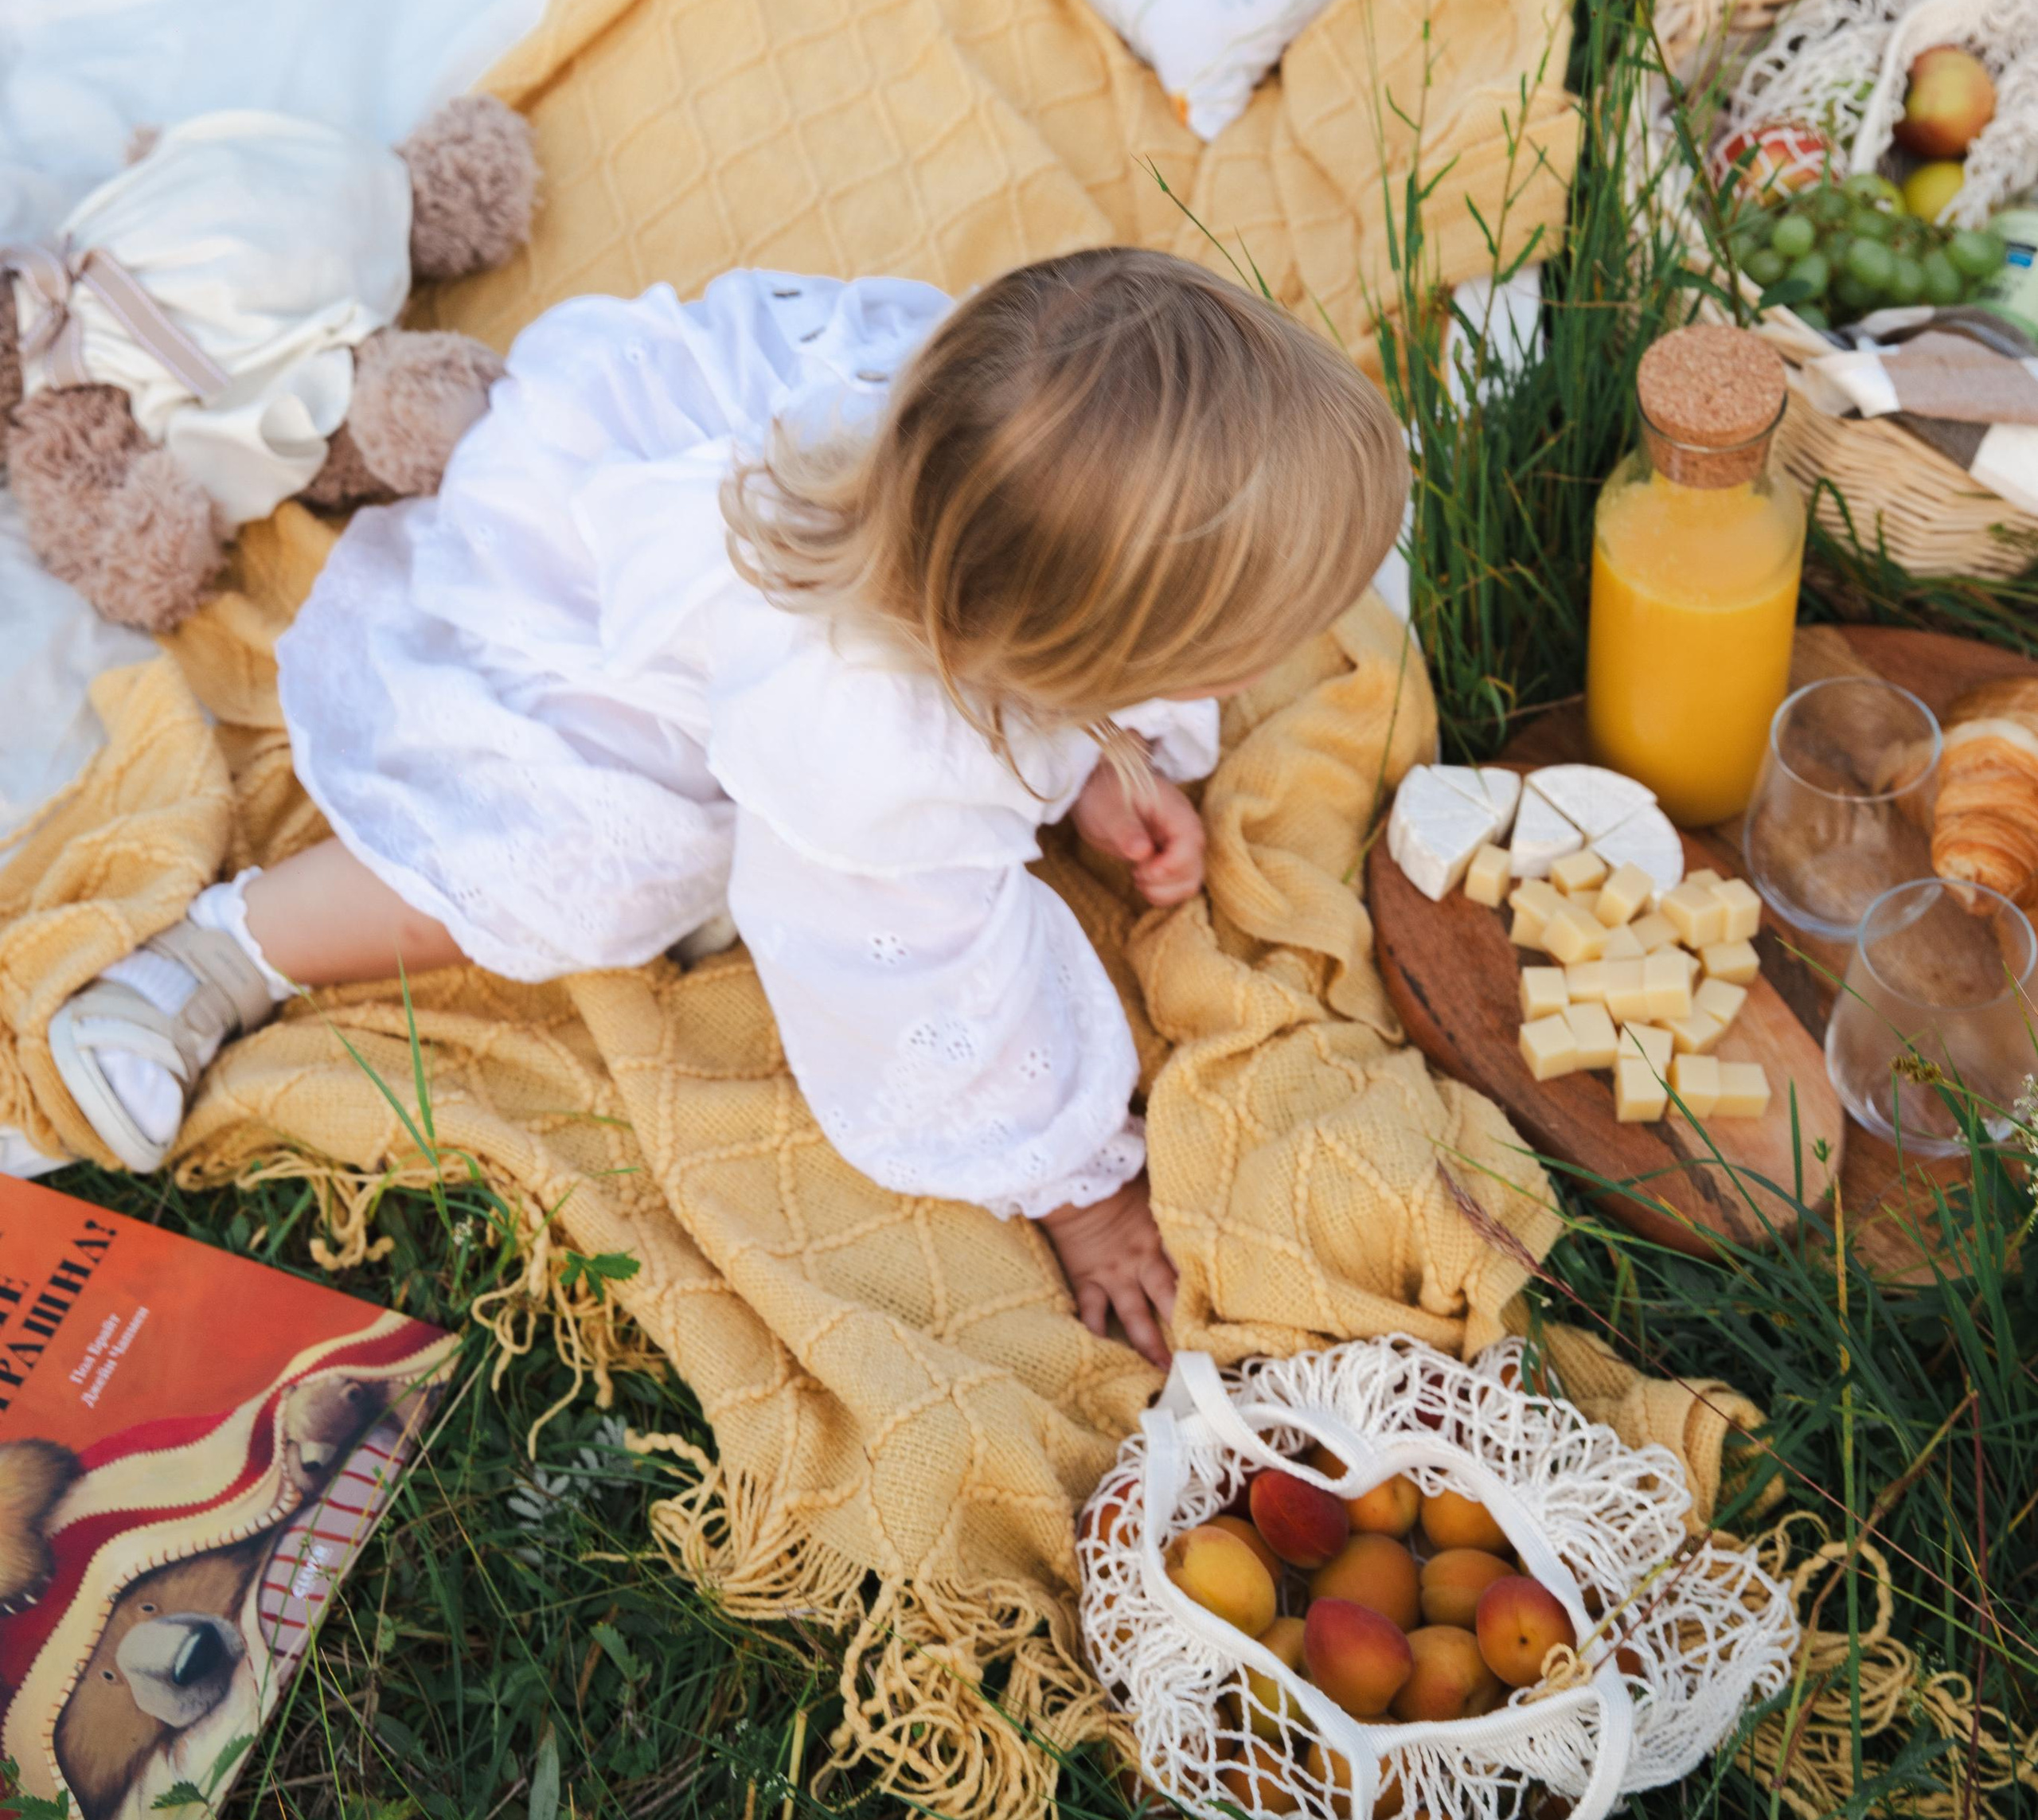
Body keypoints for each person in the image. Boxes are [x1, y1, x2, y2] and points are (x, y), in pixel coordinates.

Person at [47, 248, 1407, 1365]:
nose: (1273, 660)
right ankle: (228, 952)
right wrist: (1080, 1190)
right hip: (569, 634)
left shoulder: (982, 447)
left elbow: (1051, 650)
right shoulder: (882, 765)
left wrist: (1111, 758)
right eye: (1235, 648)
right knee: (597, 866)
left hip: (667, 452)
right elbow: (921, 991)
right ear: (1075, 653)